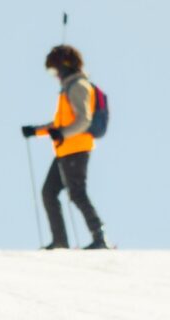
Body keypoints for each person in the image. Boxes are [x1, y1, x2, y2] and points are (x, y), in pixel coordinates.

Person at [22, 45, 111, 250]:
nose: (54, 76)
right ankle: (60, 241)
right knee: (49, 192)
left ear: (64, 67)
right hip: (64, 150)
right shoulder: (67, 89)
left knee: (77, 193)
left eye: (54, 71)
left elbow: (83, 121)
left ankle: (100, 237)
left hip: (77, 148)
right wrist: (35, 131)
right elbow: (59, 124)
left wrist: (61, 134)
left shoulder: (79, 86)